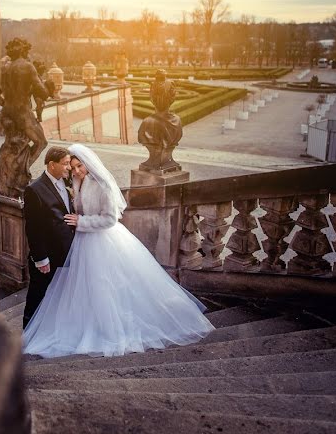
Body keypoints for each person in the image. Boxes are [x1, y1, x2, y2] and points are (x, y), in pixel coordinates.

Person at [22, 143, 213, 358]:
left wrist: (82, 222)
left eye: (78, 166)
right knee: (84, 289)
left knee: (107, 287)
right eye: (71, 166)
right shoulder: (73, 181)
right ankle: (84, 324)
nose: (74, 171)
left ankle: (110, 328)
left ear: (88, 164)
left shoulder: (102, 185)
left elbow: (111, 219)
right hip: (81, 245)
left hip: (102, 241)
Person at [21, 146, 76, 329]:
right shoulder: (34, 190)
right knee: (38, 294)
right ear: (52, 164)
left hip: (66, 252)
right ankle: (28, 332)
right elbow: (33, 228)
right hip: (48, 257)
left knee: (59, 295)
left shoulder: (67, 181)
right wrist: (40, 258)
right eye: (66, 164)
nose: (69, 168)